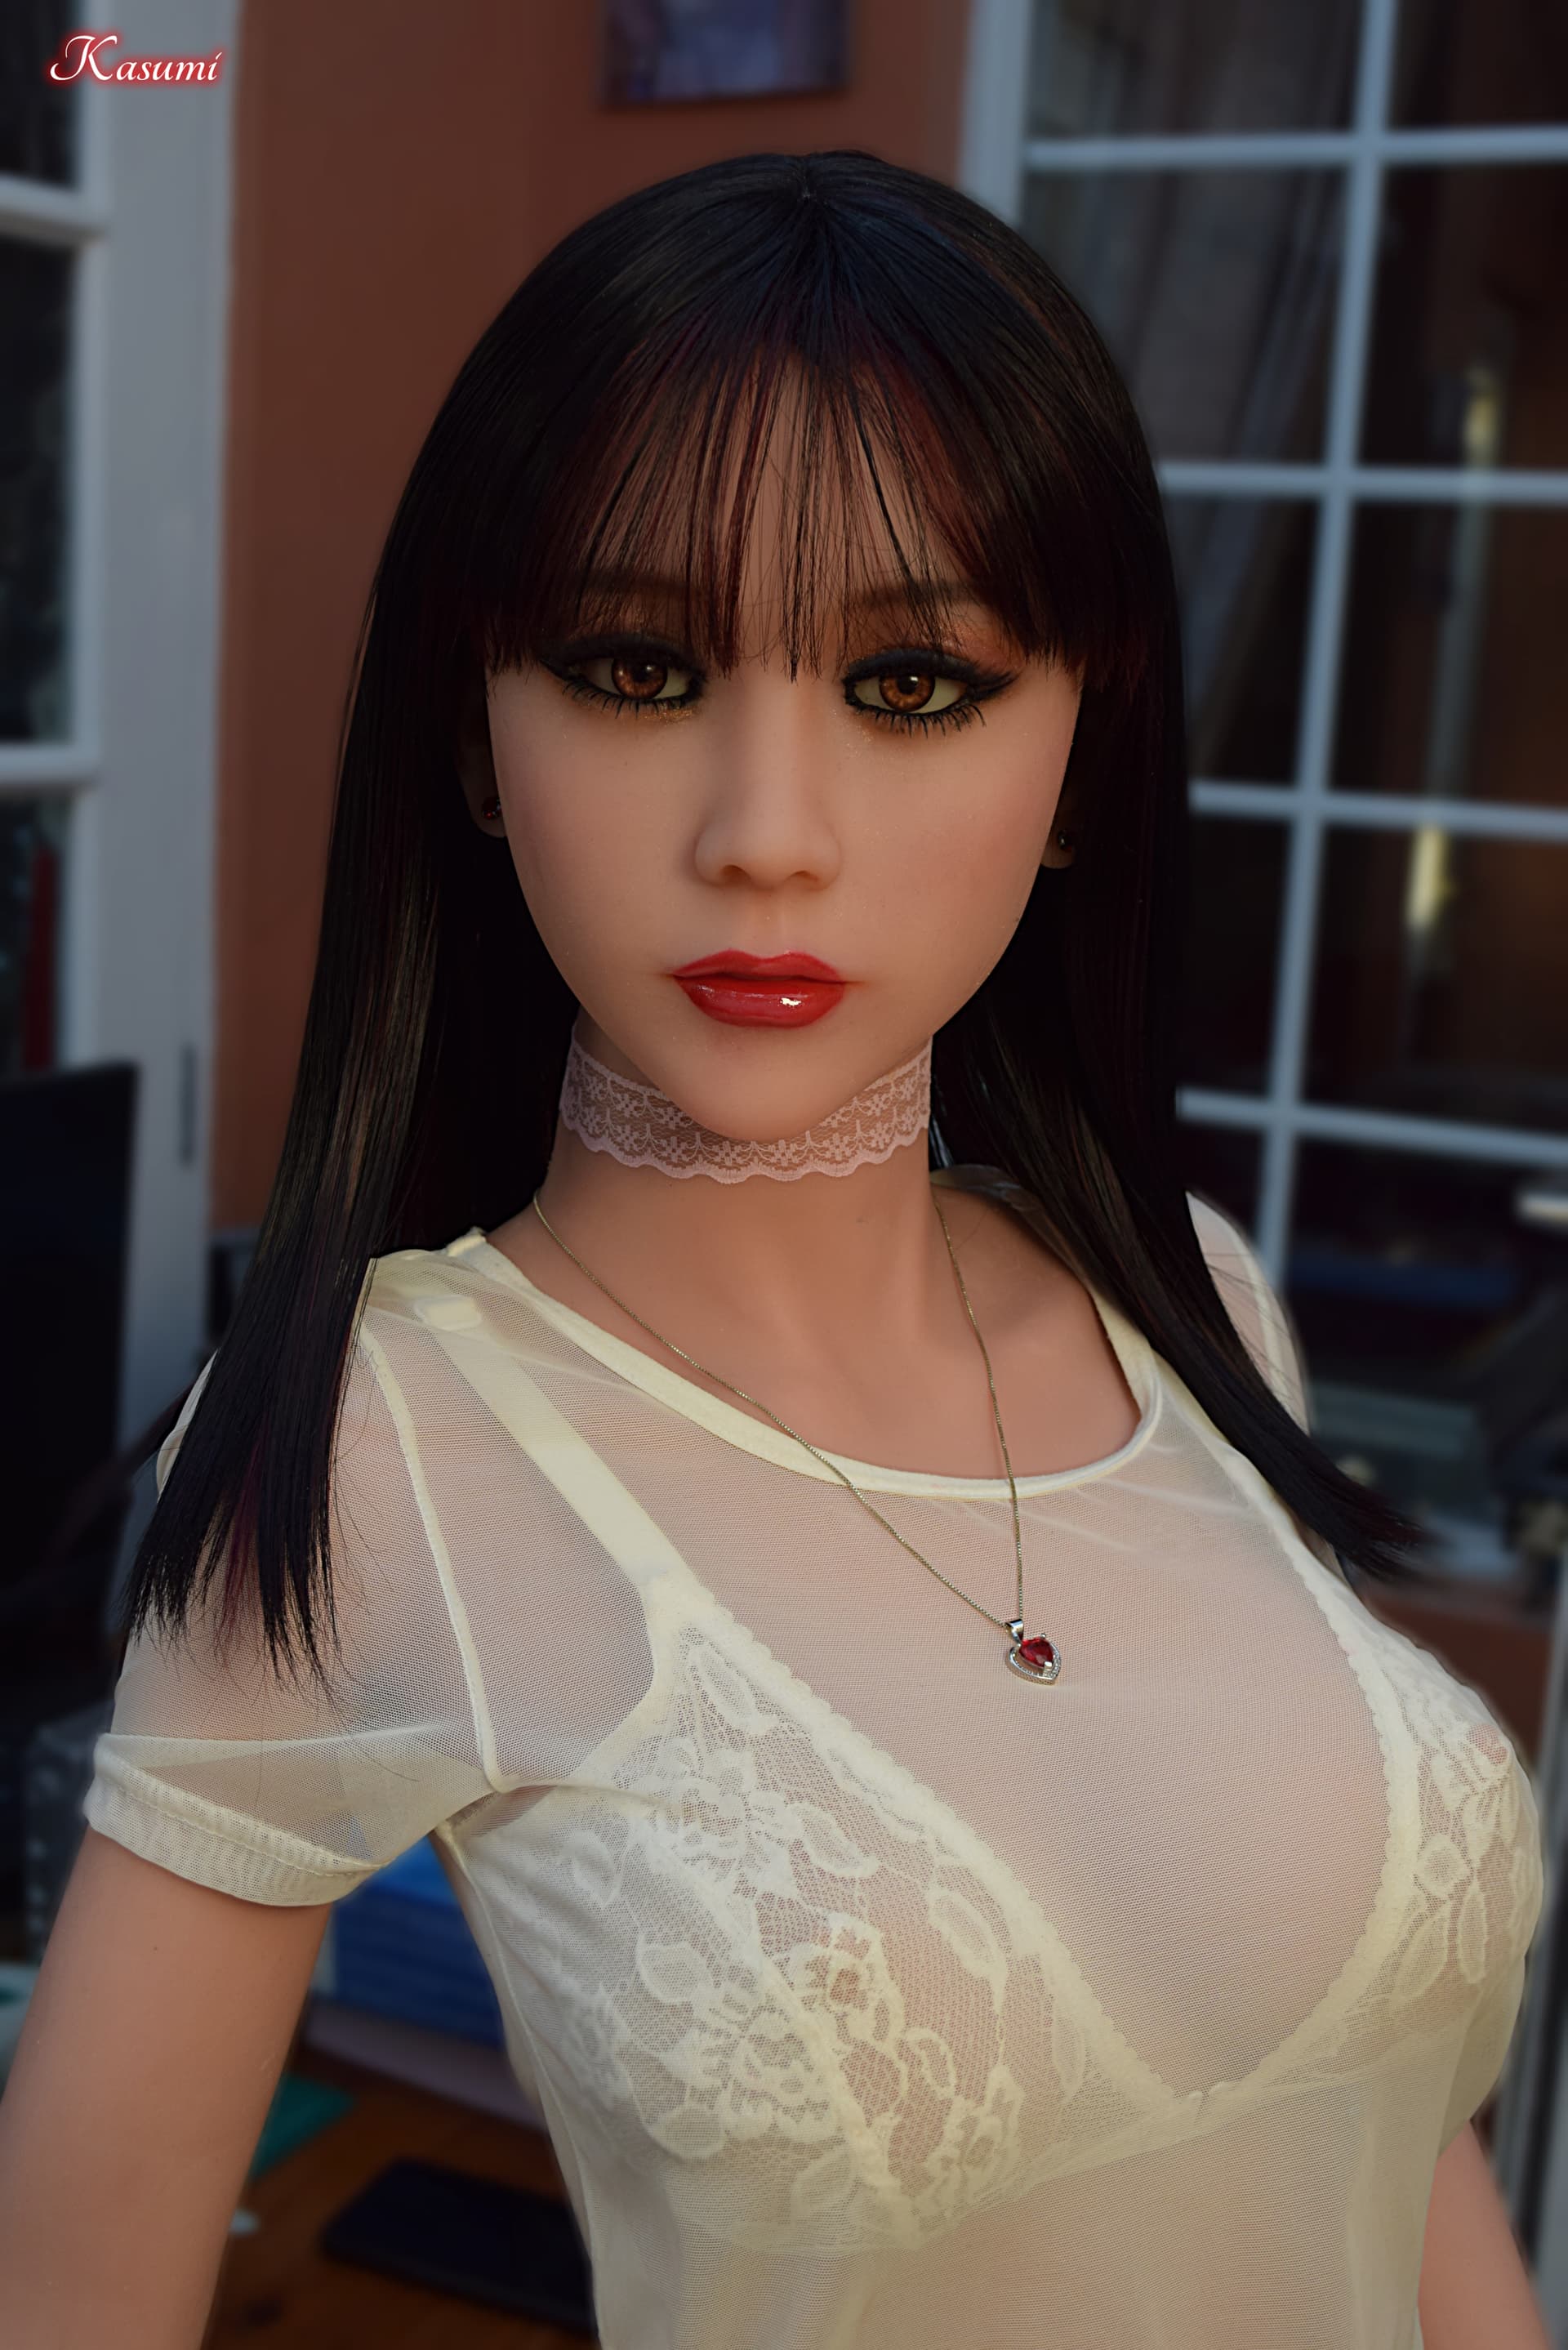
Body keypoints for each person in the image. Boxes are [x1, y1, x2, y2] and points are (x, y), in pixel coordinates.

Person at [0, 150, 1549, 2350]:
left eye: (912, 682)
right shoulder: (372, 1461)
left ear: (1087, 747)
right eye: (635, 666)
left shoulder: (1196, 1303)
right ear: (475, 735)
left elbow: (1390, 2142)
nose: (766, 837)